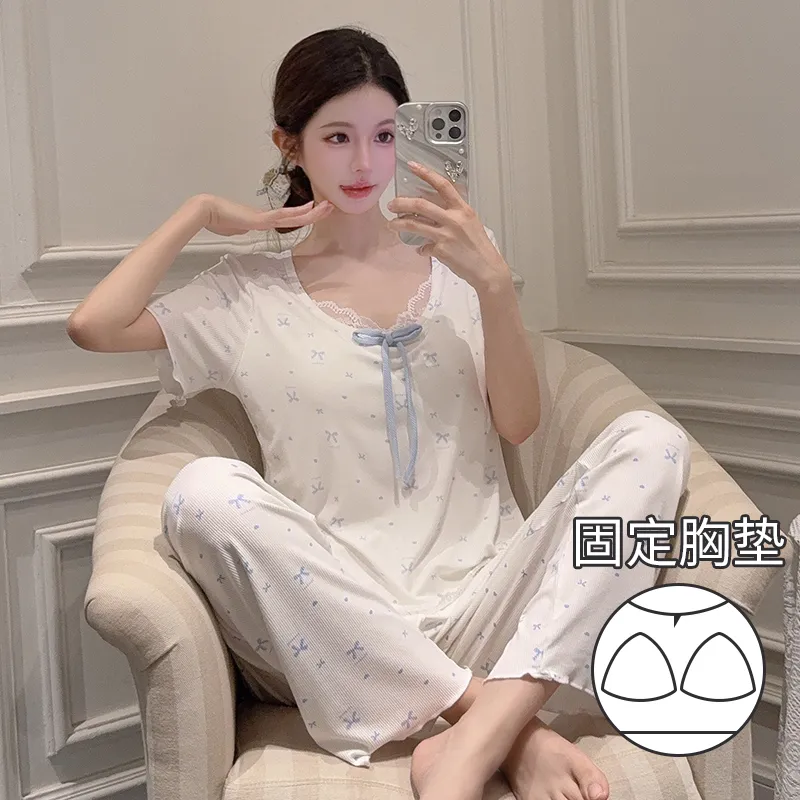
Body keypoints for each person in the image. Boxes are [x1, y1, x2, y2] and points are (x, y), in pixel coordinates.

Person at [67, 25, 691, 800]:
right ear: (289, 145)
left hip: (489, 603)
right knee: (199, 494)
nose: (365, 163)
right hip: (339, 629)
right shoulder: (243, 293)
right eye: (337, 137)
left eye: (385, 135)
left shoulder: (462, 260)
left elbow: (519, 423)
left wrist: (494, 286)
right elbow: (94, 326)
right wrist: (197, 213)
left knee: (652, 443)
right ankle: (501, 727)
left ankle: (479, 734)